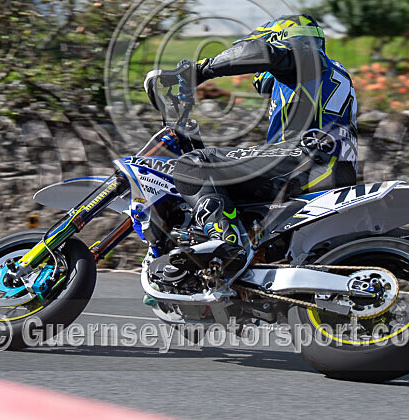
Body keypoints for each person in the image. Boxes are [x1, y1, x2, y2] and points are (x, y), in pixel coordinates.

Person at [145, 14, 358, 265]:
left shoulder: (304, 56)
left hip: (308, 158)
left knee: (195, 163)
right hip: (327, 166)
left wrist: (198, 70)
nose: (256, 74)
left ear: (280, 39)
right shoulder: (319, 75)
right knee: (217, 178)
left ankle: (226, 242)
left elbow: (262, 52)